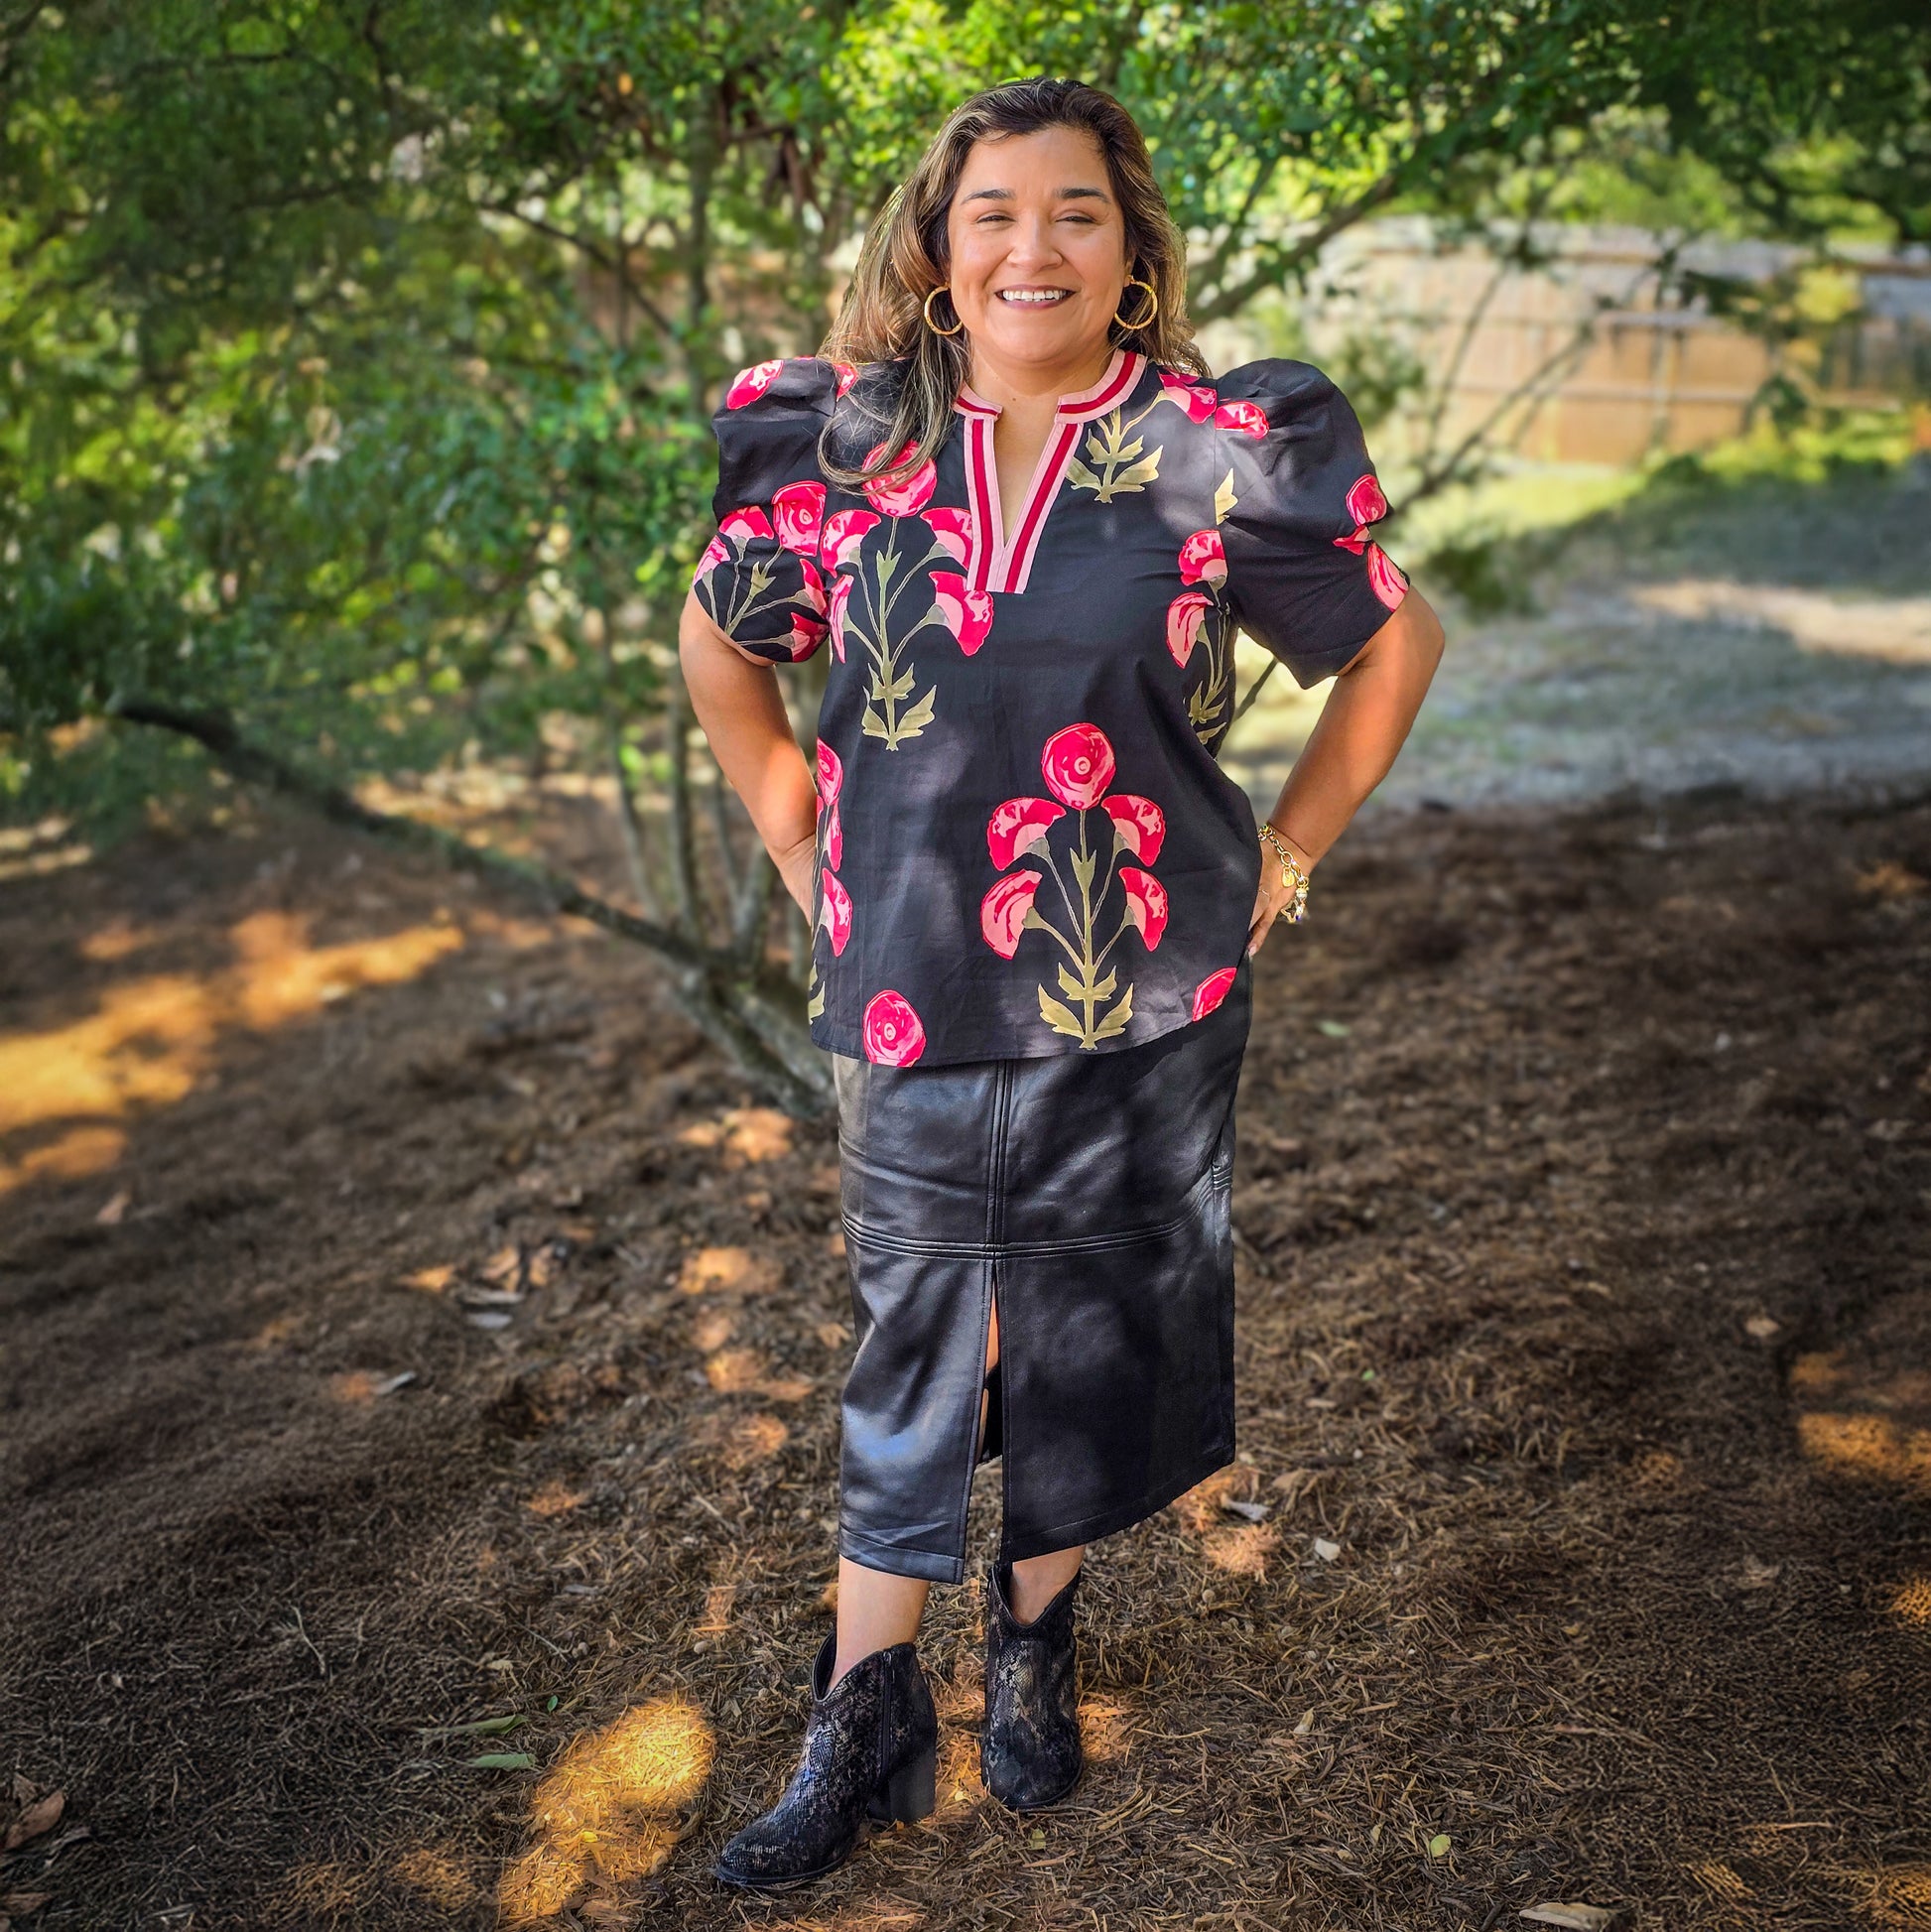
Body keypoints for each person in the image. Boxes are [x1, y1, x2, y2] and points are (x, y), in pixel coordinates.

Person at [679, 75, 1444, 1892]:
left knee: (1085, 1320)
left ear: (1129, 251)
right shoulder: (841, 443)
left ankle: (1031, 1642)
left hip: (1142, 986)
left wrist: (1288, 852)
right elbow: (720, 645)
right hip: (911, 985)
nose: (1035, 246)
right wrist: (797, 842)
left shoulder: (1221, 448)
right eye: (995, 213)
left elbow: (1393, 640)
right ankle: (864, 1711)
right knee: (920, 1329)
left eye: (1075, 212)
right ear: (938, 252)